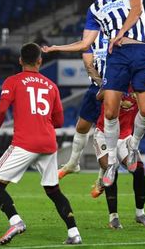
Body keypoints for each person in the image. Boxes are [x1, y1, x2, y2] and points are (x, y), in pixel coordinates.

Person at [42, 0, 145, 187]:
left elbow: (136, 10)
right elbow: (86, 43)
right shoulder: (94, 9)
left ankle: (132, 147)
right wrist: (56, 48)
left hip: (141, 50)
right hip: (117, 57)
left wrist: (120, 33)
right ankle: (111, 161)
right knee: (110, 112)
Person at [0, 43, 82, 245]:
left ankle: (16, 221)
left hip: (25, 143)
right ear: (40, 61)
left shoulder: (13, 81)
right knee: (54, 190)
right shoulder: (51, 86)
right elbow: (59, 122)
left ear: (20, 61)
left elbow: (0, 111)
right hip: (48, 144)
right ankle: (74, 233)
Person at [91, 88, 145, 229]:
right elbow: (98, 96)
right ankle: (113, 217)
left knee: (138, 169)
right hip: (104, 135)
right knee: (110, 167)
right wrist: (116, 93)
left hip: (125, 136)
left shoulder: (140, 84)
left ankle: (140, 214)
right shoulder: (115, 79)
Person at [58, 32, 107, 178]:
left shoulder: (120, 35)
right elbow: (89, 66)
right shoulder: (92, 38)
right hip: (95, 88)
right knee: (82, 127)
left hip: (115, 90)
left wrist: (110, 88)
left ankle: (103, 176)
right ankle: (73, 163)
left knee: (105, 132)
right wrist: (101, 85)